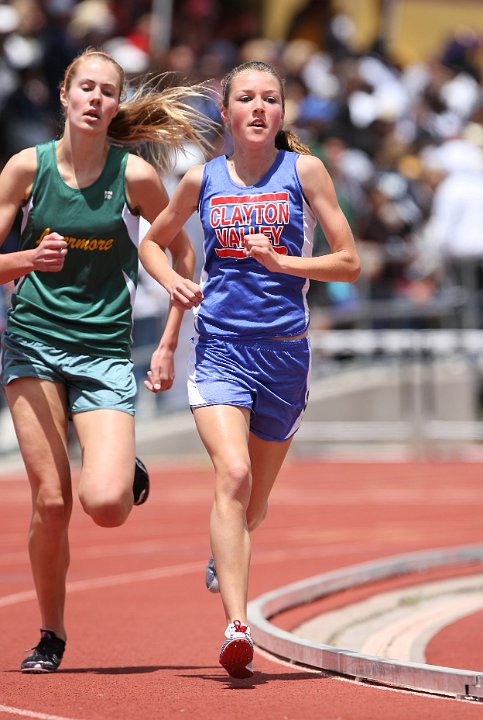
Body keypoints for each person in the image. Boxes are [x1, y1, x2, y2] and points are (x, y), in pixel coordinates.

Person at [139, 60, 360, 679]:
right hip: (220, 350)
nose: (258, 108)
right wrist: (175, 282)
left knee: (252, 504)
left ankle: (225, 548)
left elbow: (348, 262)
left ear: (282, 114)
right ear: (228, 114)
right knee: (231, 473)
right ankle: (238, 626)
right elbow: (152, 241)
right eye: (246, 99)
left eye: (270, 99)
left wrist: (287, 265)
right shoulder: (202, 179)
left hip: (285, 355)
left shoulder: (305, 172)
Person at [0, 48, 212, 673]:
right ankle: (51, 634)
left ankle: (122, 469)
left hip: (102, 352)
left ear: (117, 104)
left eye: (108, 91)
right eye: (85, 87)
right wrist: (25, 262)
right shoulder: (24, 170)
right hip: (33, 344)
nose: (95, 99)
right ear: (65, 94)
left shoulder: (135, 177)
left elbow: (184, 258)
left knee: (108, 506)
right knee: (51, 500)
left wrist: (171, 337)